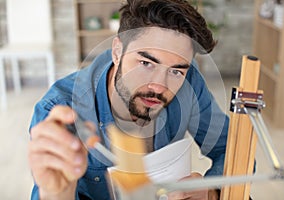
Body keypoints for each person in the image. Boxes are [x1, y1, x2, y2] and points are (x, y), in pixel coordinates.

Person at [28, 0, 229, 199]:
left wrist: (212, 191)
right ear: (117, 52)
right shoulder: (59, 108)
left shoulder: (189, 81)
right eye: (146, 63)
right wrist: (57, 194)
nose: (159, 86)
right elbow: (51, 189)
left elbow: (232, 148)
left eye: (176, 71)